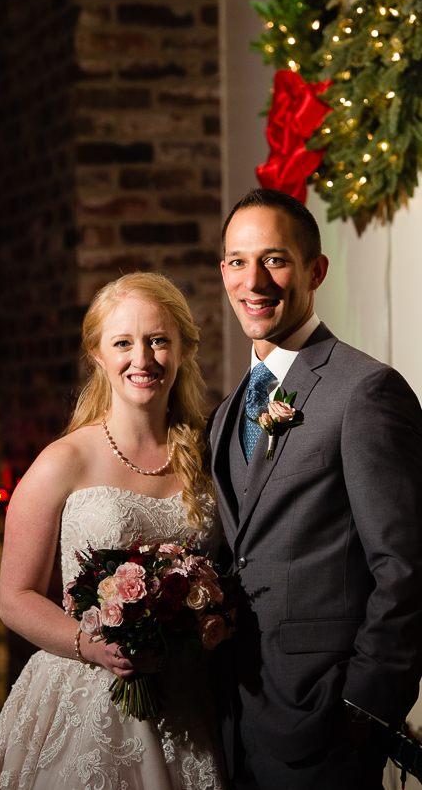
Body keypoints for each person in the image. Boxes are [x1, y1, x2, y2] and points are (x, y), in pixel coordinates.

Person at [0, 272, 228, 790]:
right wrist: (91, 645)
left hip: (190, 696)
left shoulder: (209, 454)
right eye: (124, 343)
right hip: (86, 694)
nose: (144, 359)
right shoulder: (62, 462)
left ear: (182, 350)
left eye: (159, 341)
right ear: (98, 355)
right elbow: (14, 598)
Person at [209, 188, 422, 790]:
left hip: (326, 716)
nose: (253, 280)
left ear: (315, 270)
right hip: (235, 711)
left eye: (274, 259)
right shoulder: (227, 412)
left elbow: (405, 564)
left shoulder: (366, 392)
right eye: (236, 261)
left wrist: (366, 705)